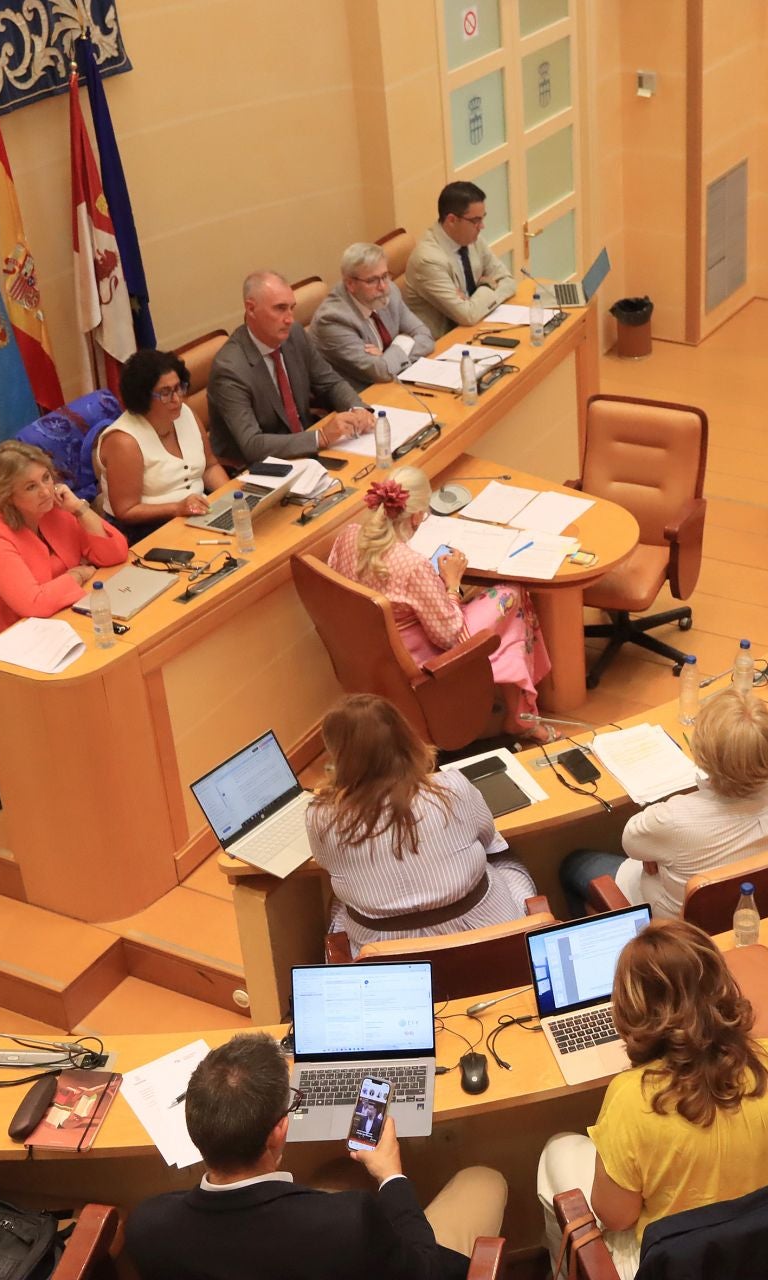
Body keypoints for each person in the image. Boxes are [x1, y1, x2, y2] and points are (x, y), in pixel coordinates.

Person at [536, 920, 768, 1278]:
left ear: (629, 1010)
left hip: (679, 1267)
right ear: (723, 985)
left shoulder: (631, 1097)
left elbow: (617, 1216)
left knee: (558, 1148)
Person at [125, 1032, 504, 1280]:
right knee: (485, 1181)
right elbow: (426, 1270)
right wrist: (391, 1177)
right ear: (278, 1132)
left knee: (336, 1174)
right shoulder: (349, 1222)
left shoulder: (147, 1226)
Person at [327, 468, 552, 737]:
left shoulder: (348, 536)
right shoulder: (411, 566)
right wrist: (452, 584)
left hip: (373, 652)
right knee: (511, 594)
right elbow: (450, 636)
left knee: (490, 602)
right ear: (418, 515)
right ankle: (522, 716)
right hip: (420, 659)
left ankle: (515, 708)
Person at [308, 695, 541, 949]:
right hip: (487, 940)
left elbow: (331, 866)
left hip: (391, 959)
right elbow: (488, 840)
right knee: (507, 859)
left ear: (337, 756)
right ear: (405, 737)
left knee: (338, 902)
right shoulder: (452, 786)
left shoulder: (320, 817)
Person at [556, 690, 768, 918]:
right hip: (762, 909)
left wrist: (658, 851)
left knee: (574, 863)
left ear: (701, 755)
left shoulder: (672, 819)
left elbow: (632, 843)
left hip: (678, 930)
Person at [0, 441, 128, 632]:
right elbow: (34, 603)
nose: (45, 491)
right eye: (30, 487)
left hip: (57, 619)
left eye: (46, 478)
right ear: (7, 495)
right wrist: (79, 574)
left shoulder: (53, 508)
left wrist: (79, 509)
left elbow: (114, 554)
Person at [208, 271, 372, 468]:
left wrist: (357, 408)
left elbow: (330, 382)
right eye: (280, 309)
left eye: (291, 308)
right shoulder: (230, 369)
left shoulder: (294, 335)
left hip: (310, 452)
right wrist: (319, 437)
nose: (289, 319)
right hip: (262, 469)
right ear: (251, 308)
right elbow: (252, 444)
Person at [95, 349, 231, 543]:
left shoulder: (185, 413)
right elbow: (126, 510)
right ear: (142, 396)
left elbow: (210, 467)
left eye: (178, 388)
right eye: (165, 393)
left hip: (199, 512)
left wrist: (232, 499)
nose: (176, 399)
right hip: (147, 531)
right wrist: (177, 508)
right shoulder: (124, 441)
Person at [310, 243, 438, 386]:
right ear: (350, 284)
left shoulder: (388, 293)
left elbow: (425, 336)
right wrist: (404, 345)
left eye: (385, 276)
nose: (383, 286)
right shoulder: (333, 319)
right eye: (372, 280)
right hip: (364, 394)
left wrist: (387, 355)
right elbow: (380, 371)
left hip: (395, 382)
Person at [403, 181, 517, 339]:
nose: (482, 226)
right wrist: (487, 285)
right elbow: (467, 315)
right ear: (451, 220)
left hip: (476, 329)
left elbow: (508, 281)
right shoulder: (428, 260)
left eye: (482, 218)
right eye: (475, 220)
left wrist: (473, 303)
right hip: (441, 344)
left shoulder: (472, 238)